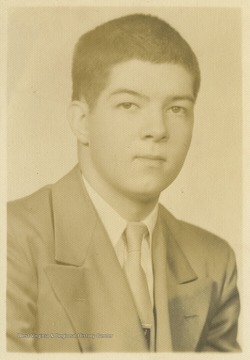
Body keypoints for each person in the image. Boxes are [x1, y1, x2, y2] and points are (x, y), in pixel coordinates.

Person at [7, 13, 240, 352]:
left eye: (176, 108)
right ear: (82, 121)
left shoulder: (214, 262)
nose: (157, 129)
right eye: (129, 104)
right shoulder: (14, 241)